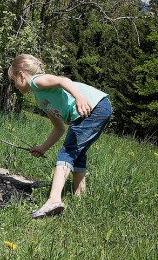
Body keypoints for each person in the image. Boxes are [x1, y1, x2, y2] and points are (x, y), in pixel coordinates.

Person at [8, 54, 112, 219]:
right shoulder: (40, 97)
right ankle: (79, 197)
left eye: (13, 79)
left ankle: (54, 199)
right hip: (99, 108)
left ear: (21, 74)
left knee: (68, 151)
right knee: (78, 153)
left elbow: (63, 80)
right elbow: (59, 128)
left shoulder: (37, 81)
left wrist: (79, 97)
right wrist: (43, 147)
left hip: (94, 107)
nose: (14, 84)